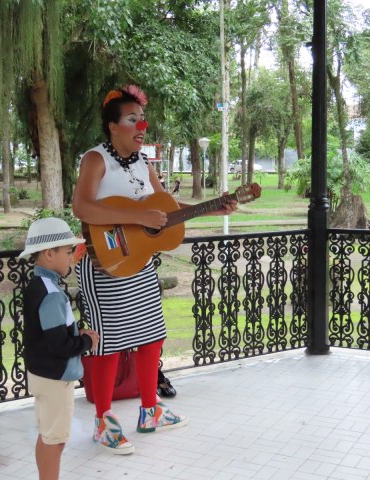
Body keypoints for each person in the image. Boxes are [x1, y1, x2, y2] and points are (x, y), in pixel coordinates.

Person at [72, 85, 236, 455]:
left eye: (142, 119)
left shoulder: (144, 163)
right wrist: (137, 215)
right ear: (113, 126)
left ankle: (150, 410)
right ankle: (103, 421)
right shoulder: (96, 159)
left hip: (140, 263)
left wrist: (210, 207)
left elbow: (164, 208)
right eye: (132, 119)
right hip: (105, 263)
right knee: (106, 343)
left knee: (151, 336)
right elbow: (82, 208)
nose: (141, 125)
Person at [20, 217, 99, 480]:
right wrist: (87, 341)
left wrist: (77, 333)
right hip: (55, 378)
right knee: (56, 441)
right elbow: (60, 345)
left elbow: (51, 334)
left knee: (48, 436)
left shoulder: (38, 285)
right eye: (68, 252)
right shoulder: (52, 293)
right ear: (48, 253)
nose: (71, 259)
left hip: (41, 374)